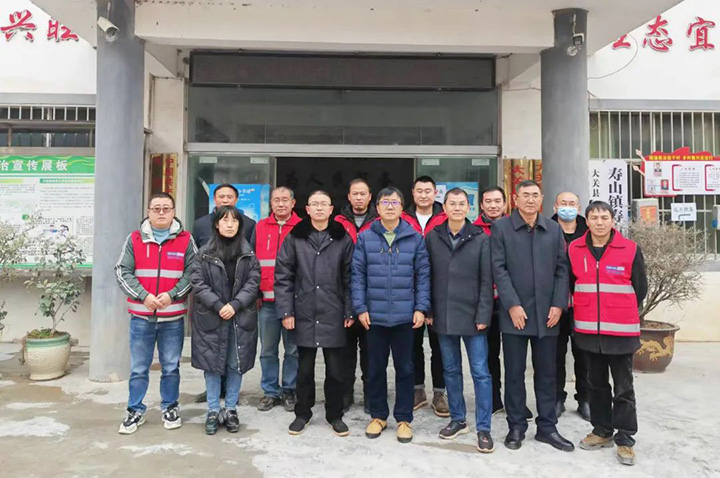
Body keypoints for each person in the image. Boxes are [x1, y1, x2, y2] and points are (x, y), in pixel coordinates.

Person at [491, 180, 574, 452]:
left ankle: (547, 427)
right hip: (515, 314)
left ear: (542, 199)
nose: (530, 200)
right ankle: (516, 426)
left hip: (547, 315)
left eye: (535, 195)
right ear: (515, 199)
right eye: (525, 195)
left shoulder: (553, 229)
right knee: (514, 373)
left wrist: (559, 304)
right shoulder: (502, 228)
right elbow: (498, 269)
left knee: (547, 373)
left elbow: (562, 269)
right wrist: (512, 305)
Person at [569, 201, 647, 467]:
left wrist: (618, 310)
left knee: (623, 388)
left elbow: (640, 288)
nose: (599, 222)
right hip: (589, 330)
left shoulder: (630, 249)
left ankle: (625, 439)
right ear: (587, 221)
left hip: (621, 331)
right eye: (594, 217)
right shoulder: (575, 249)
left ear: (612, 221)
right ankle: (602, 430)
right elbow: (572, 283)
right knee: (596, 385)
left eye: (604, 217)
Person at [352, 186, 431, 444]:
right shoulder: (365, 237)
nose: (389, 206)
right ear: (377, 208)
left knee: (405, 368)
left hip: (405, 317)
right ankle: (378, 415)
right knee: (375, 368)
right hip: (373, 317)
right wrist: (360, 308)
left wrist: (421, 308)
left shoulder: (414, 238)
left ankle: (404, 418)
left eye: (394, 202)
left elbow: (423, 276)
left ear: (401, 208)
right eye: (384, 202)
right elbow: (357, 276)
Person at [274, 190, 355, 437]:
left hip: (334, 311)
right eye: (314, 204)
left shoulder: (343, 238)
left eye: (324, 204)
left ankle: (335, 414)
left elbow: (351, 277)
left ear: (331, 210)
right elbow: (283, 276)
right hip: (304, 311)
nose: (319, 208)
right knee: (304, 369)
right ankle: (303, 413)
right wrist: (286, 311)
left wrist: (350, 309)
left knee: (336, 370)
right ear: (307, 209)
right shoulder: (295, 237)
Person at [115, 192, 197, 434]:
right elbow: (122, 271)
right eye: (156, 208)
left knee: (171, 366)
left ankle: (170, 407)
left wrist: (173, 294)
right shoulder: (134, 239)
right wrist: (144, 296)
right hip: (141, 317)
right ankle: (135, 410)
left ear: (173, 212)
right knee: (139, 368)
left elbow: (194, 272)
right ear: (149, 212)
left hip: (173, 317)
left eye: (166, 208)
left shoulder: (186, 240)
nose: (161, 212)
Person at [426, 188, 495, 453]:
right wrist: (428, 309)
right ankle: (458, 419)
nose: (457, 208)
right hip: (443, 313)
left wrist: (484, 314)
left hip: (473, 315)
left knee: (480, 372)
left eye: (461, 204)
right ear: (444, 208)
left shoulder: (481, 238)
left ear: (469, 208)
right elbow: (426, 276)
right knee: (451, 370)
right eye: (452, 204)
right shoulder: (433, 237)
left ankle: (484, 427)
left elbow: (487, 280)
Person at [189, 206, 261, 435]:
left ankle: (230, 408)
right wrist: (219, 306)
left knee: (235, 364)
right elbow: (197, 283)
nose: (230, 224)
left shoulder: (248, 254)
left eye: (234, 221)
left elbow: (253, 283)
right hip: (212, 317)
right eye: (225, 220)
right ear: (216, 224)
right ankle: (212, 409)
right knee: (212, 366)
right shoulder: (203, 254)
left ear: (240, 225)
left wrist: (235, 305)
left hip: (239, 317)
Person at [401, 176, 448, 417]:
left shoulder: (446, 218)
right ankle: (417, 390)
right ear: (413, 193)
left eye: (428, 191)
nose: (423, 195)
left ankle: (440, 393)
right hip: (408, 291)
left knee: (439, 345)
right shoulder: (402, 219)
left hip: (440, 290)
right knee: (412, 344)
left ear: (435, 193)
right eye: (419, 190)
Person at [251, 187, 302, 412]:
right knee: (268, 350)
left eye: (285, 200)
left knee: (293, 350)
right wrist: (255, 292)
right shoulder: (260, 227)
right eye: (276, 200)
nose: (280, 204)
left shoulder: (303, 227)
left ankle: (290, 390)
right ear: (270, 204)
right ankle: (270, 391)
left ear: (293, 203)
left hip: (294, 302)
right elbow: (252, 262)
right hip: (267, 302)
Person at [334, 178, 377, 414]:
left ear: (370, 196)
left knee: (371, 353)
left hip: (373, 296)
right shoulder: (337, 223)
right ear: (349, 197)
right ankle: (345, 395)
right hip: (343, 295)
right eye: (355, 194)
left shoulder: (379, 222)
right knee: (345, 353)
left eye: (363, 193)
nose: (359, 198)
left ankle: (371, 397)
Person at [551, 191, 591, 421]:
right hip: (554, 304)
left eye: (572, 203)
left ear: (578, 207)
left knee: (583, 353)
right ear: (555, 207)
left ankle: (585, 398)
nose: (567, 207)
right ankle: (557, 398)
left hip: (583, 304)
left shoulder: (589, 232)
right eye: (563, 203)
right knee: (555, 354)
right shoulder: (546, 230)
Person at [193, 183, 256, 248]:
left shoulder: (249, 223)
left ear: (236, 200)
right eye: (221, 197)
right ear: (214, 199)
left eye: (229, 197)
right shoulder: (200, 224)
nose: (225, 201)